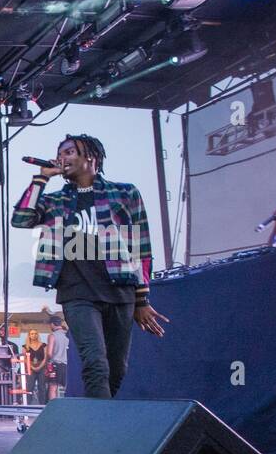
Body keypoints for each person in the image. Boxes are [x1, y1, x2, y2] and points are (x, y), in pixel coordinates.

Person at [11, 133, 168, 398]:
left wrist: (142, 299)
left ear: (91, 157)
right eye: (60, 153)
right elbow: (21, 218)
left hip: (120, 291)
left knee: (117, 368)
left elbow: (141, 247)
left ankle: (98, 419)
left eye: (70, 152)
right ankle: (102, 431)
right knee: (96, 363)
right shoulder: (54, 201)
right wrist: (41, 178)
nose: (63, 157)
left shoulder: (125, 192)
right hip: (77, 293)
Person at [46, 315, 69, 399]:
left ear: (52, 324)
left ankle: (52, 407)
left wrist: (48, 362)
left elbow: (49, 353)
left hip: (55, 364)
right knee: (67, 387)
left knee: (53, 387)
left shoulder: (52, 335)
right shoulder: (67, 335)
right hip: (67, 365)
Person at [24, 329, 49, 404]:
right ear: (29, 335)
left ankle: (42, 405)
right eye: (32, 334)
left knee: (42, 387)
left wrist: (40, 367)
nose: (34, 335)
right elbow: (25, 358)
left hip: (42, 367)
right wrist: (32, 367)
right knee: (29, 387)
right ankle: (27, 404)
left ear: (38, 335)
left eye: (35, 333)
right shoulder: (25, 346)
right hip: (30, 368)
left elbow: (45, 357)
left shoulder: (43, 345)